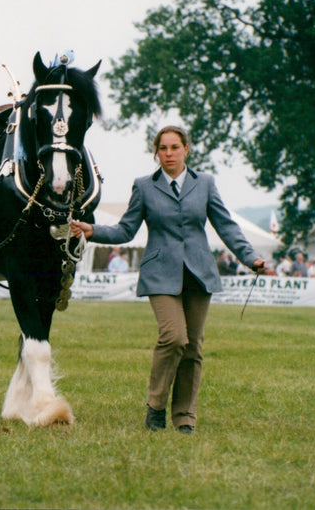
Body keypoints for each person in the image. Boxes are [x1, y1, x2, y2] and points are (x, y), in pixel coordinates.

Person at [70, 125, 264, 434]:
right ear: (156, 153)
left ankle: (185, 417)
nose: (169, 153)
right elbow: (126, 230)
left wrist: (250, 256)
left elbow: (226, 226)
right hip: (160, 273)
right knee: (174, 338)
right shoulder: (144, 187)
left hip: (199, 274)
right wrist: (94, 231)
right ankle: (156, 406)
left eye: (175, 147)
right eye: (163, 148)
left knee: (193, 348)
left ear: (187, 149)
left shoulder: (206, 184)